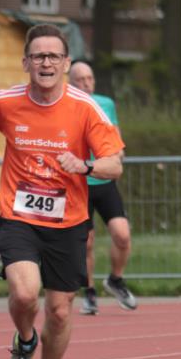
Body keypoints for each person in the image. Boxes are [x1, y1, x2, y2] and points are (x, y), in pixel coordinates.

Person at [0, 24, 124, 359]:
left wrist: (87, 164)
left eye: (53, 56)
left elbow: (115, 165)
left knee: (58, 312)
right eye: (38, 55)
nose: (45, 62)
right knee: (25, 295)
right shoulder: (4, 103)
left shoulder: (85, 107)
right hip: (18, 215)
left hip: (68, 221)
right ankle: (25, 343)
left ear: (65, 63)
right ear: (26, 62)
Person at [68, 61, 137, 315]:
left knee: (122, 234)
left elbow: (116, 139)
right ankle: (89, 292)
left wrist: (118, 156)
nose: (86, 83)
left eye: (90, 78)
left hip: (103, 181)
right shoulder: (67, 106)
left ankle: (115, 279)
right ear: (71, 83)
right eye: (80, 80)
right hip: (79, 184)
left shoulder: (105, 103)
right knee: (86, 243)